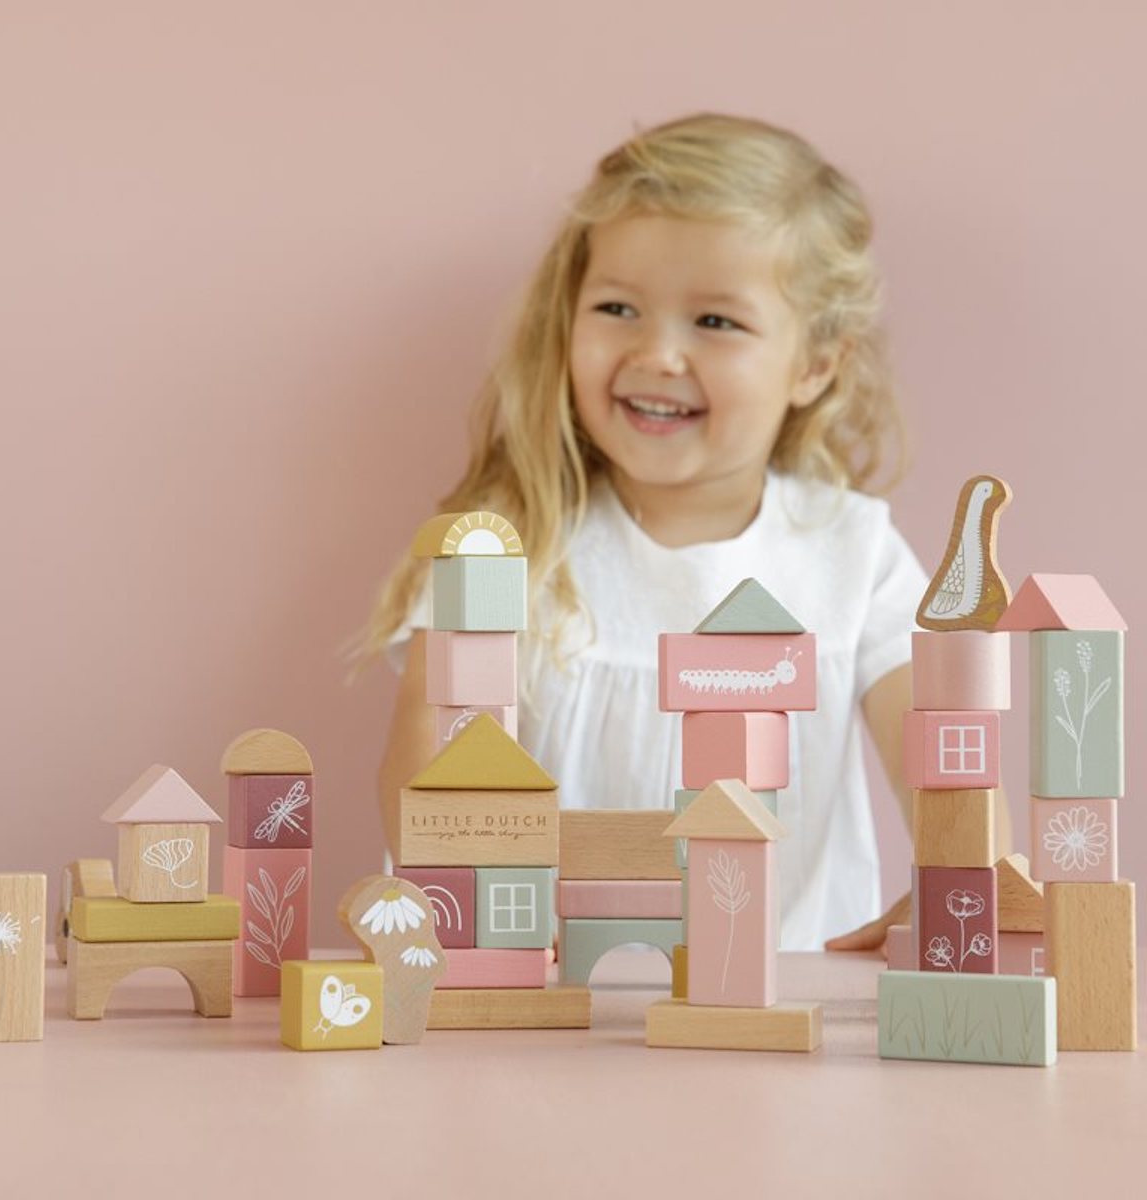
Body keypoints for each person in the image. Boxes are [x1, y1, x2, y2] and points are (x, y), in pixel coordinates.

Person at [363, 113, 999, 951]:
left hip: (782, 1018)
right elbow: (425, 775)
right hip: (542, 1013)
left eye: (715, 323)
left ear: (814, 363)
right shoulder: (506, 546)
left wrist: (965, 892)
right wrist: (476, 908)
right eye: (618, 307)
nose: (658, 354)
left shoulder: (855, 557)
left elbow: (945, 765)